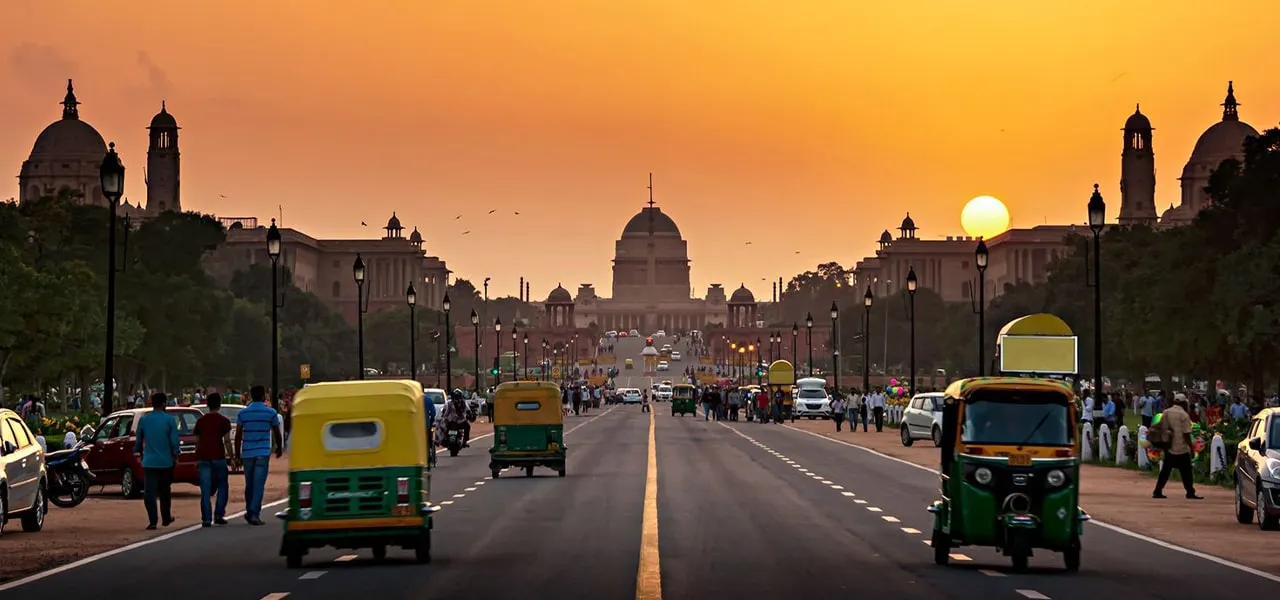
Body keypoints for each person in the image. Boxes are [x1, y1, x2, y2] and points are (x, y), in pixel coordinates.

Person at [235, 385, 283, 526]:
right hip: (262, 452)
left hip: (248, 452)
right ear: (263, 396)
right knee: (258, 484)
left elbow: (238, 435)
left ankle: (250, 511)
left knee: (249, 484)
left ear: (251, 396)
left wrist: (237, 455)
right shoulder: (271, 413)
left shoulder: (243, 414)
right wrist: (279, 448)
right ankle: (254, 514)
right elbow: (276, 432)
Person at [135, 392, 180, 530]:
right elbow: (174, 441)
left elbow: (138, 440)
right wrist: (176, 454)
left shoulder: (144, 419)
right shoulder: (169, 420)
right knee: (165, 491)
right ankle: (166, 517)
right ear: (164, 403)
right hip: (166, 461)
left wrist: (138, 452)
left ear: (151, 403)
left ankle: (153, 520)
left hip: (149, 461)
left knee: (150, 492)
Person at [1152, 394, 1202, 500]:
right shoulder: (1184, 415)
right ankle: (1190, 492)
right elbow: (1186, 434)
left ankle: (1157, 490)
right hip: (1181, 448)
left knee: (1165, 471)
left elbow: (1161, 427)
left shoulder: (1166, 412)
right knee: (1186, 472)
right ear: (1184, 403)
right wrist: (1192, 448)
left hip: (1169, 446)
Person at [193, 392, 232, 527]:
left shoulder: (200, 421)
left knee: (205, 489)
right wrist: (231, 457)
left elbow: (197, 442)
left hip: (203, 457)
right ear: (219, 405)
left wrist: (196, 458)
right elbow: (227, 441)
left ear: (207, 404)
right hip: (219, 457)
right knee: (222, 486)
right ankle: (219, 514)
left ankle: (206, 518)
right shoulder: (224, 421)